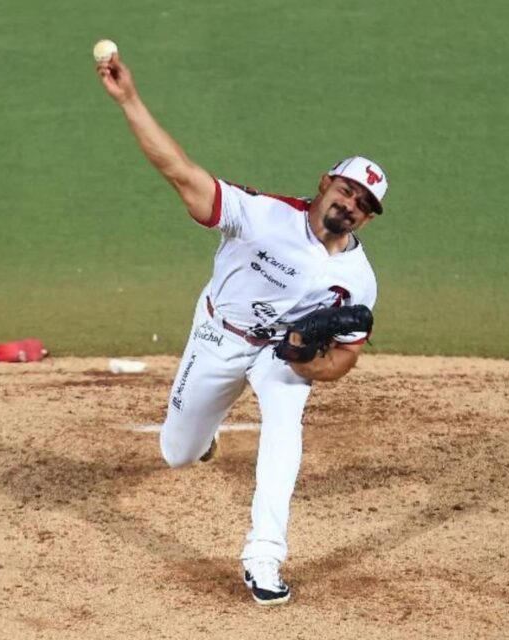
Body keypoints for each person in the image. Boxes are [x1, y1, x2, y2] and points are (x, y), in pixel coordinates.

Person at [95, 49, 386, 606]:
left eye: (364, 204)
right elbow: (180, 173)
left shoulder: (359, 280)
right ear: (325, 184)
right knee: (177, 453)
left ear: (369, 218)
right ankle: (200, 441)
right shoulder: (260, 215)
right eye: (347, 190)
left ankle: (264, 556)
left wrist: (306, 360)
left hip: (279, 356)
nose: (350, 205)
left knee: (286, 426)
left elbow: (344, 359)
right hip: (218, 335)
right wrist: (129, 99)